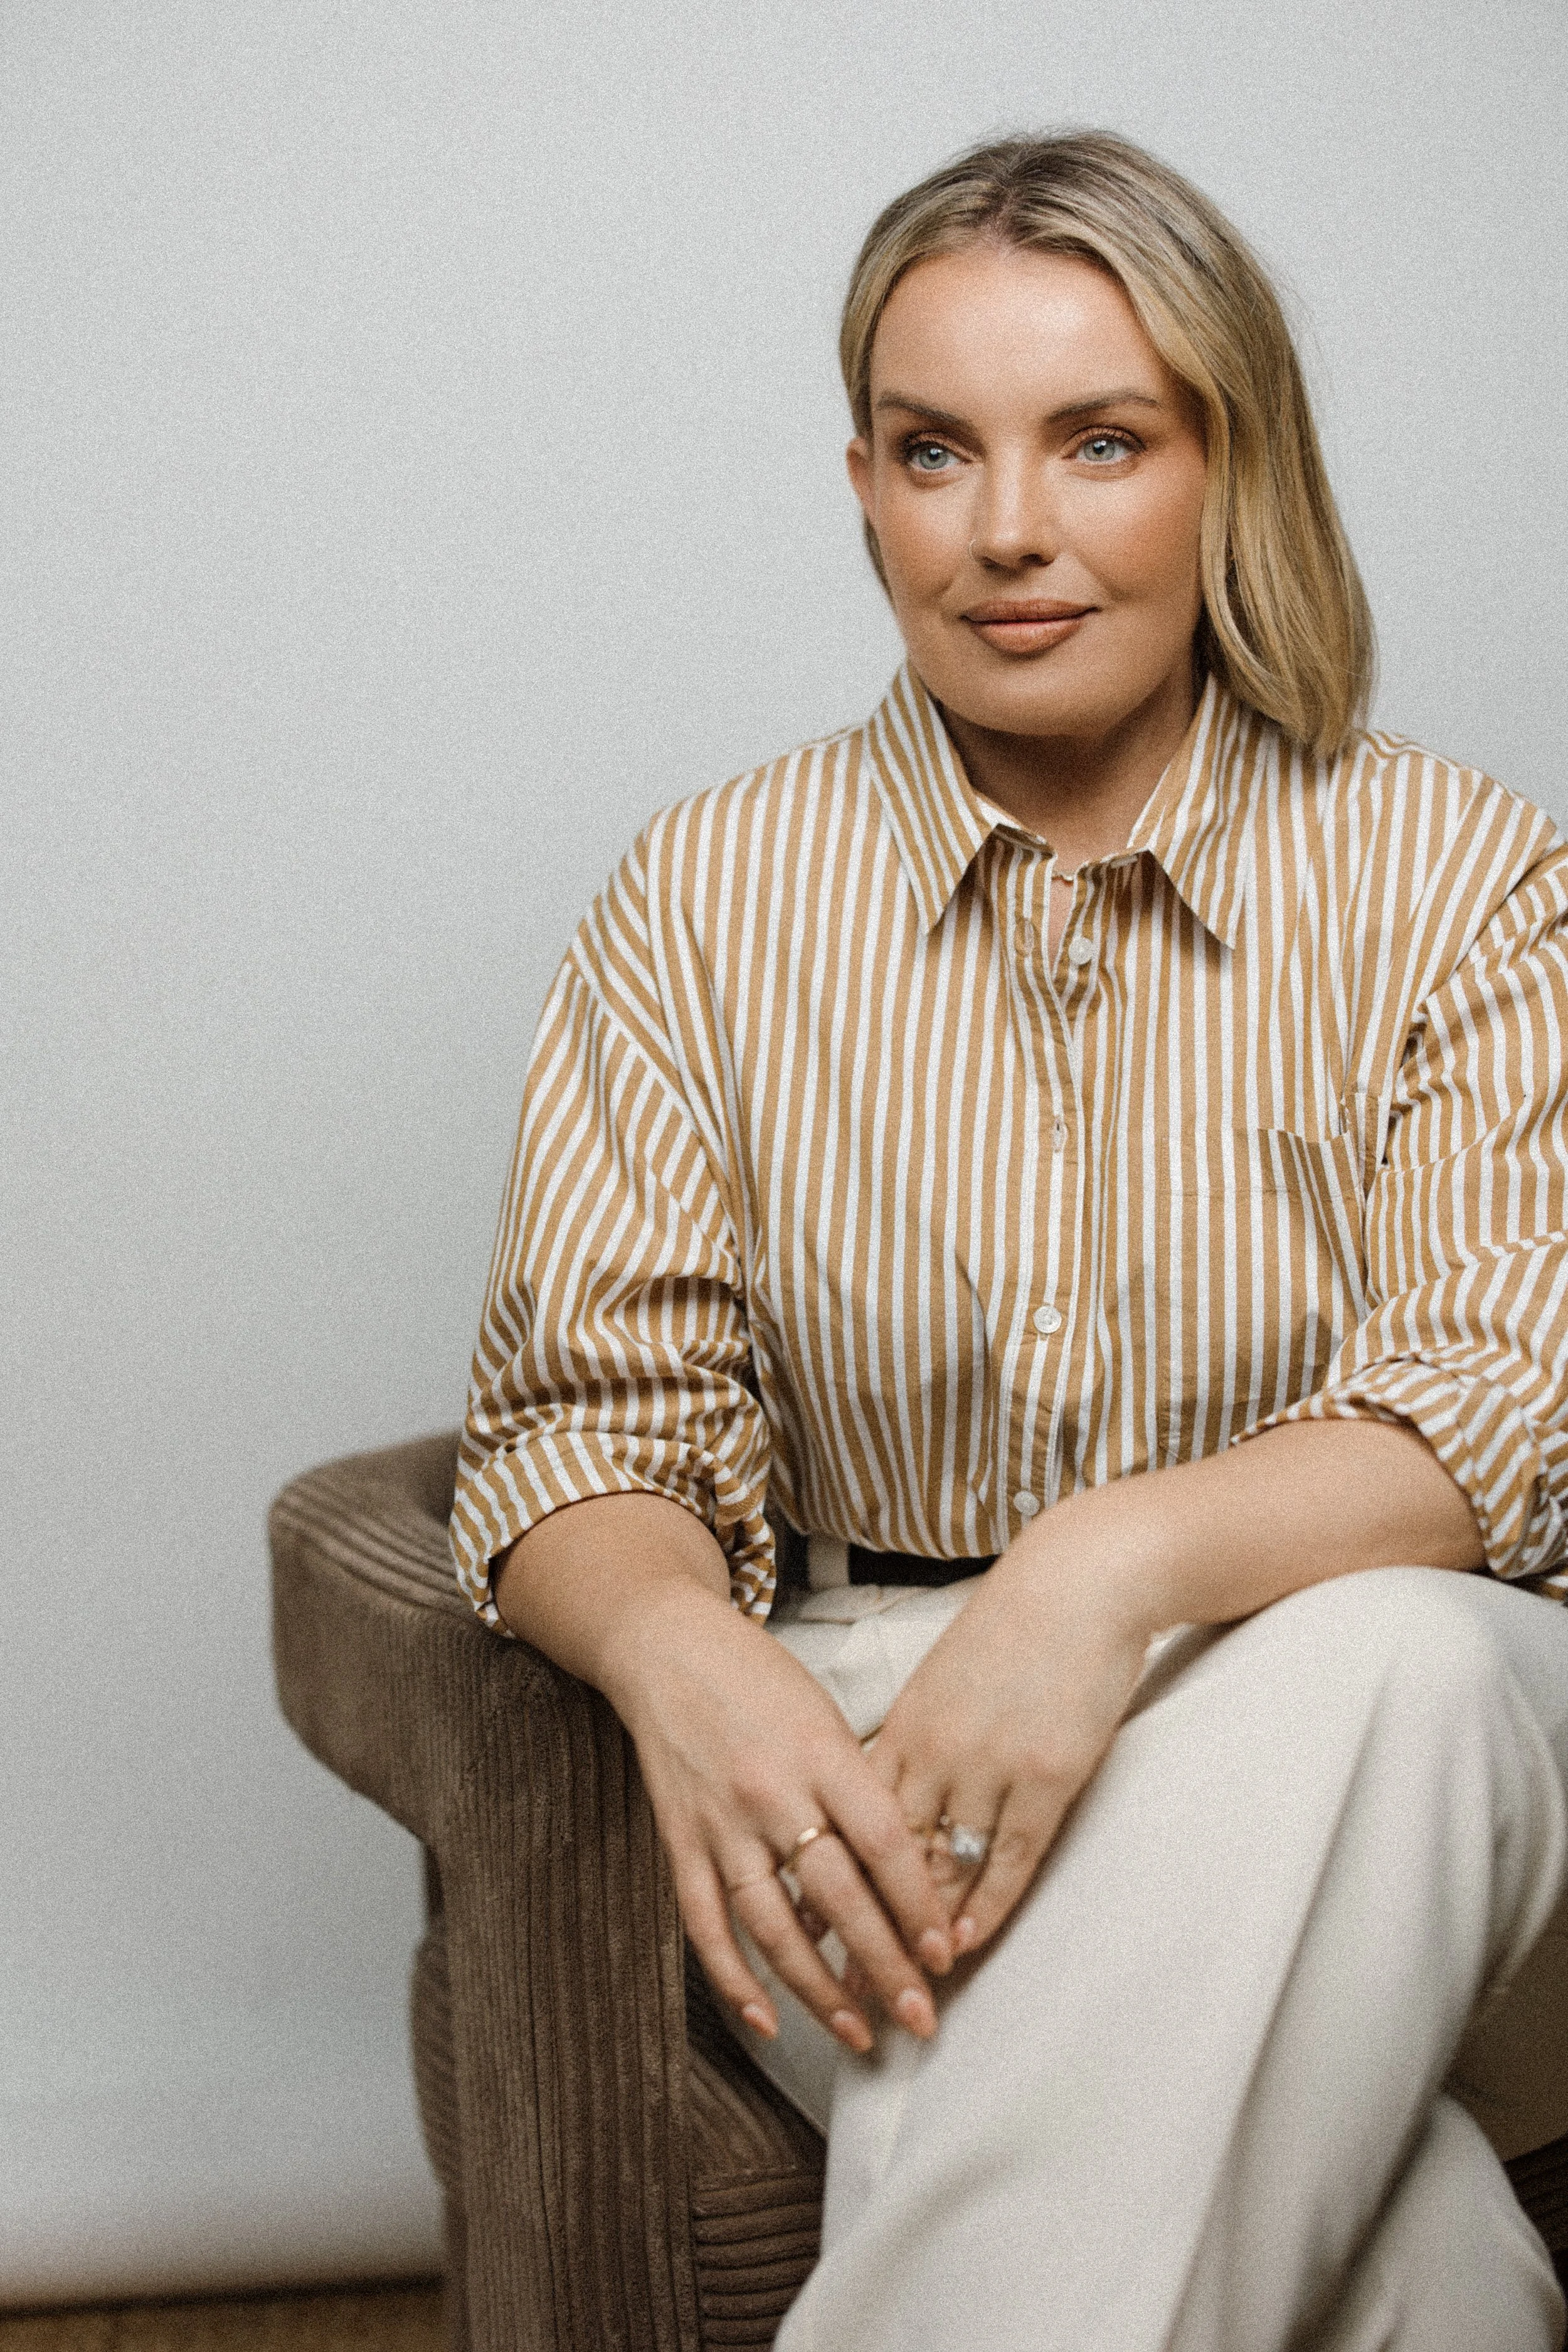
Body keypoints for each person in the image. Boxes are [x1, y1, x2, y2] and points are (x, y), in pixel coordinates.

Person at [449, 131, 1568, 2349]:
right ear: (859, 482)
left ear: (1228, 464)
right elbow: (584, 1428)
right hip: (873, 1742)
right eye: (932, 450)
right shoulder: (705, 895)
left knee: (1406, 1658)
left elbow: (1501, 1394)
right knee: (1424, 2273)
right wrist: (691, 1662)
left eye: (1100, 441)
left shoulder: (1461, 873)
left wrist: (1104, 1571)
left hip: (1396, 1740)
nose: (1008, 530)